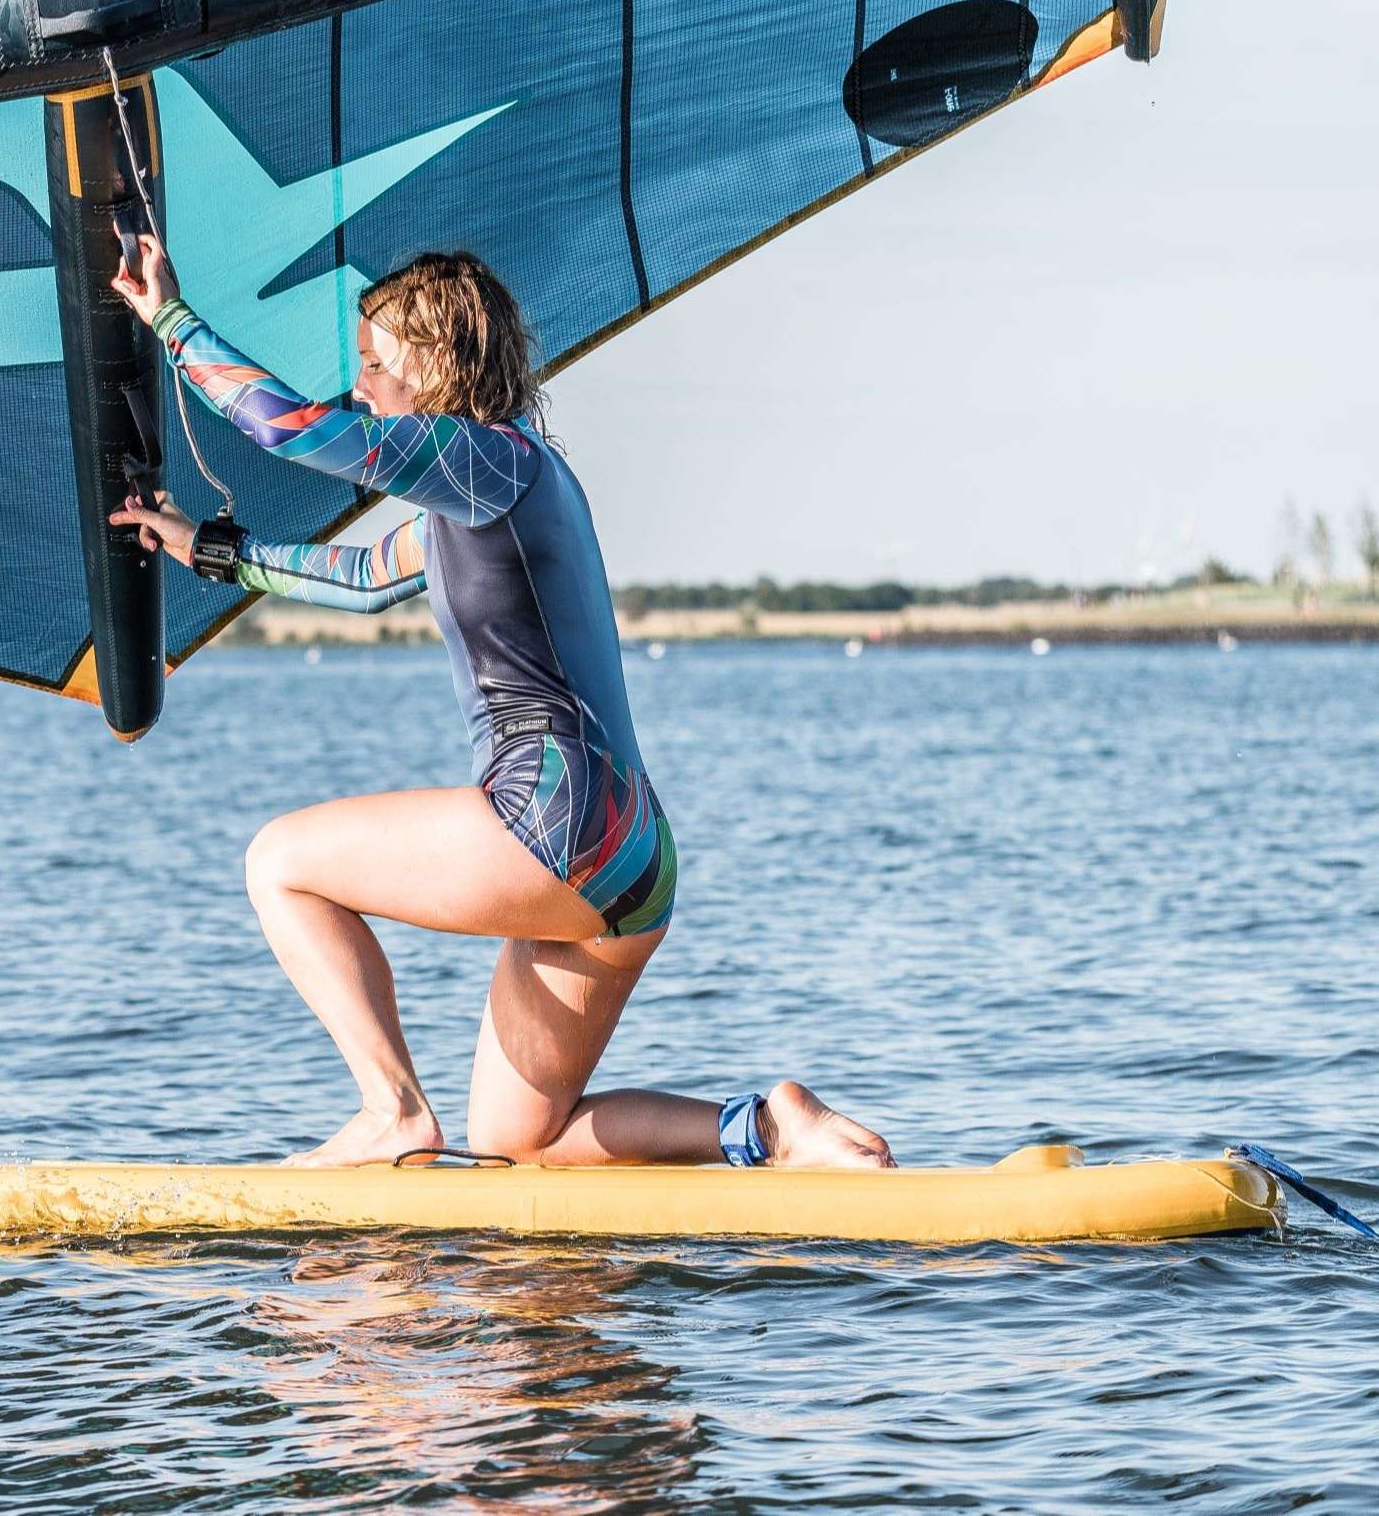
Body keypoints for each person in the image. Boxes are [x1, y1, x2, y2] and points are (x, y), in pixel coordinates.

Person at [110, 237, 894, 1172]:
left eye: (373, 364)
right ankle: (768, 1129)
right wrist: (209, 549)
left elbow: (291, 430)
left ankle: (390, 1110)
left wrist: (170, 319)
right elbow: (361, 578)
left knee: (280, 861)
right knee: (519, 1138)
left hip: (551, 814)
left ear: (435, 363)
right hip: (632, 845)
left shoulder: (485, 457)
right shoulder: (505, 483)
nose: (361, 388)